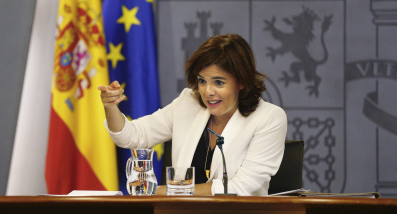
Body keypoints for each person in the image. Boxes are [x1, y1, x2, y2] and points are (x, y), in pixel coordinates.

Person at [98, 34, 287, 196]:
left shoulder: (269, 118)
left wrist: (166, 190)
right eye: (202, 81)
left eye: (219, 82)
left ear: (242, 82)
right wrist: (111, 107)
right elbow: (133, 136)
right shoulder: (188, 102)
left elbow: (240, 187)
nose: (208, 91)